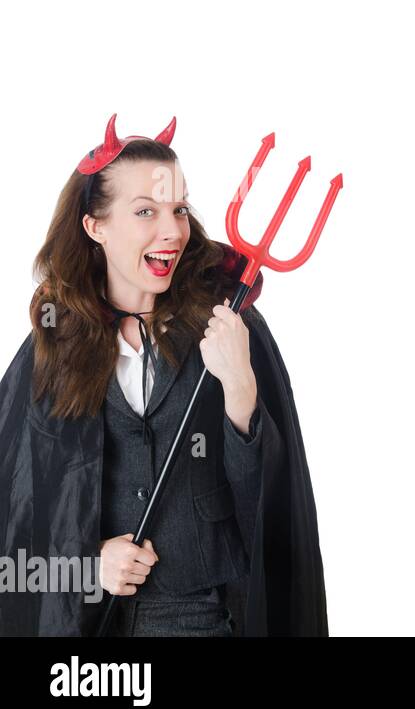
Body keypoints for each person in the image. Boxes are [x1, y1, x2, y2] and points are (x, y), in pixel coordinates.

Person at [0, 115, 327, 636]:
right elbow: (16, 516)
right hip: (91, 628)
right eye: (145, 211)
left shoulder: (228, 324)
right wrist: (86, 564)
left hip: (199, 618)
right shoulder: (55, 343)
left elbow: (271, 506)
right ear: (96, 226)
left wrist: (240, 387)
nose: (172, 230)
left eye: (178, 209)